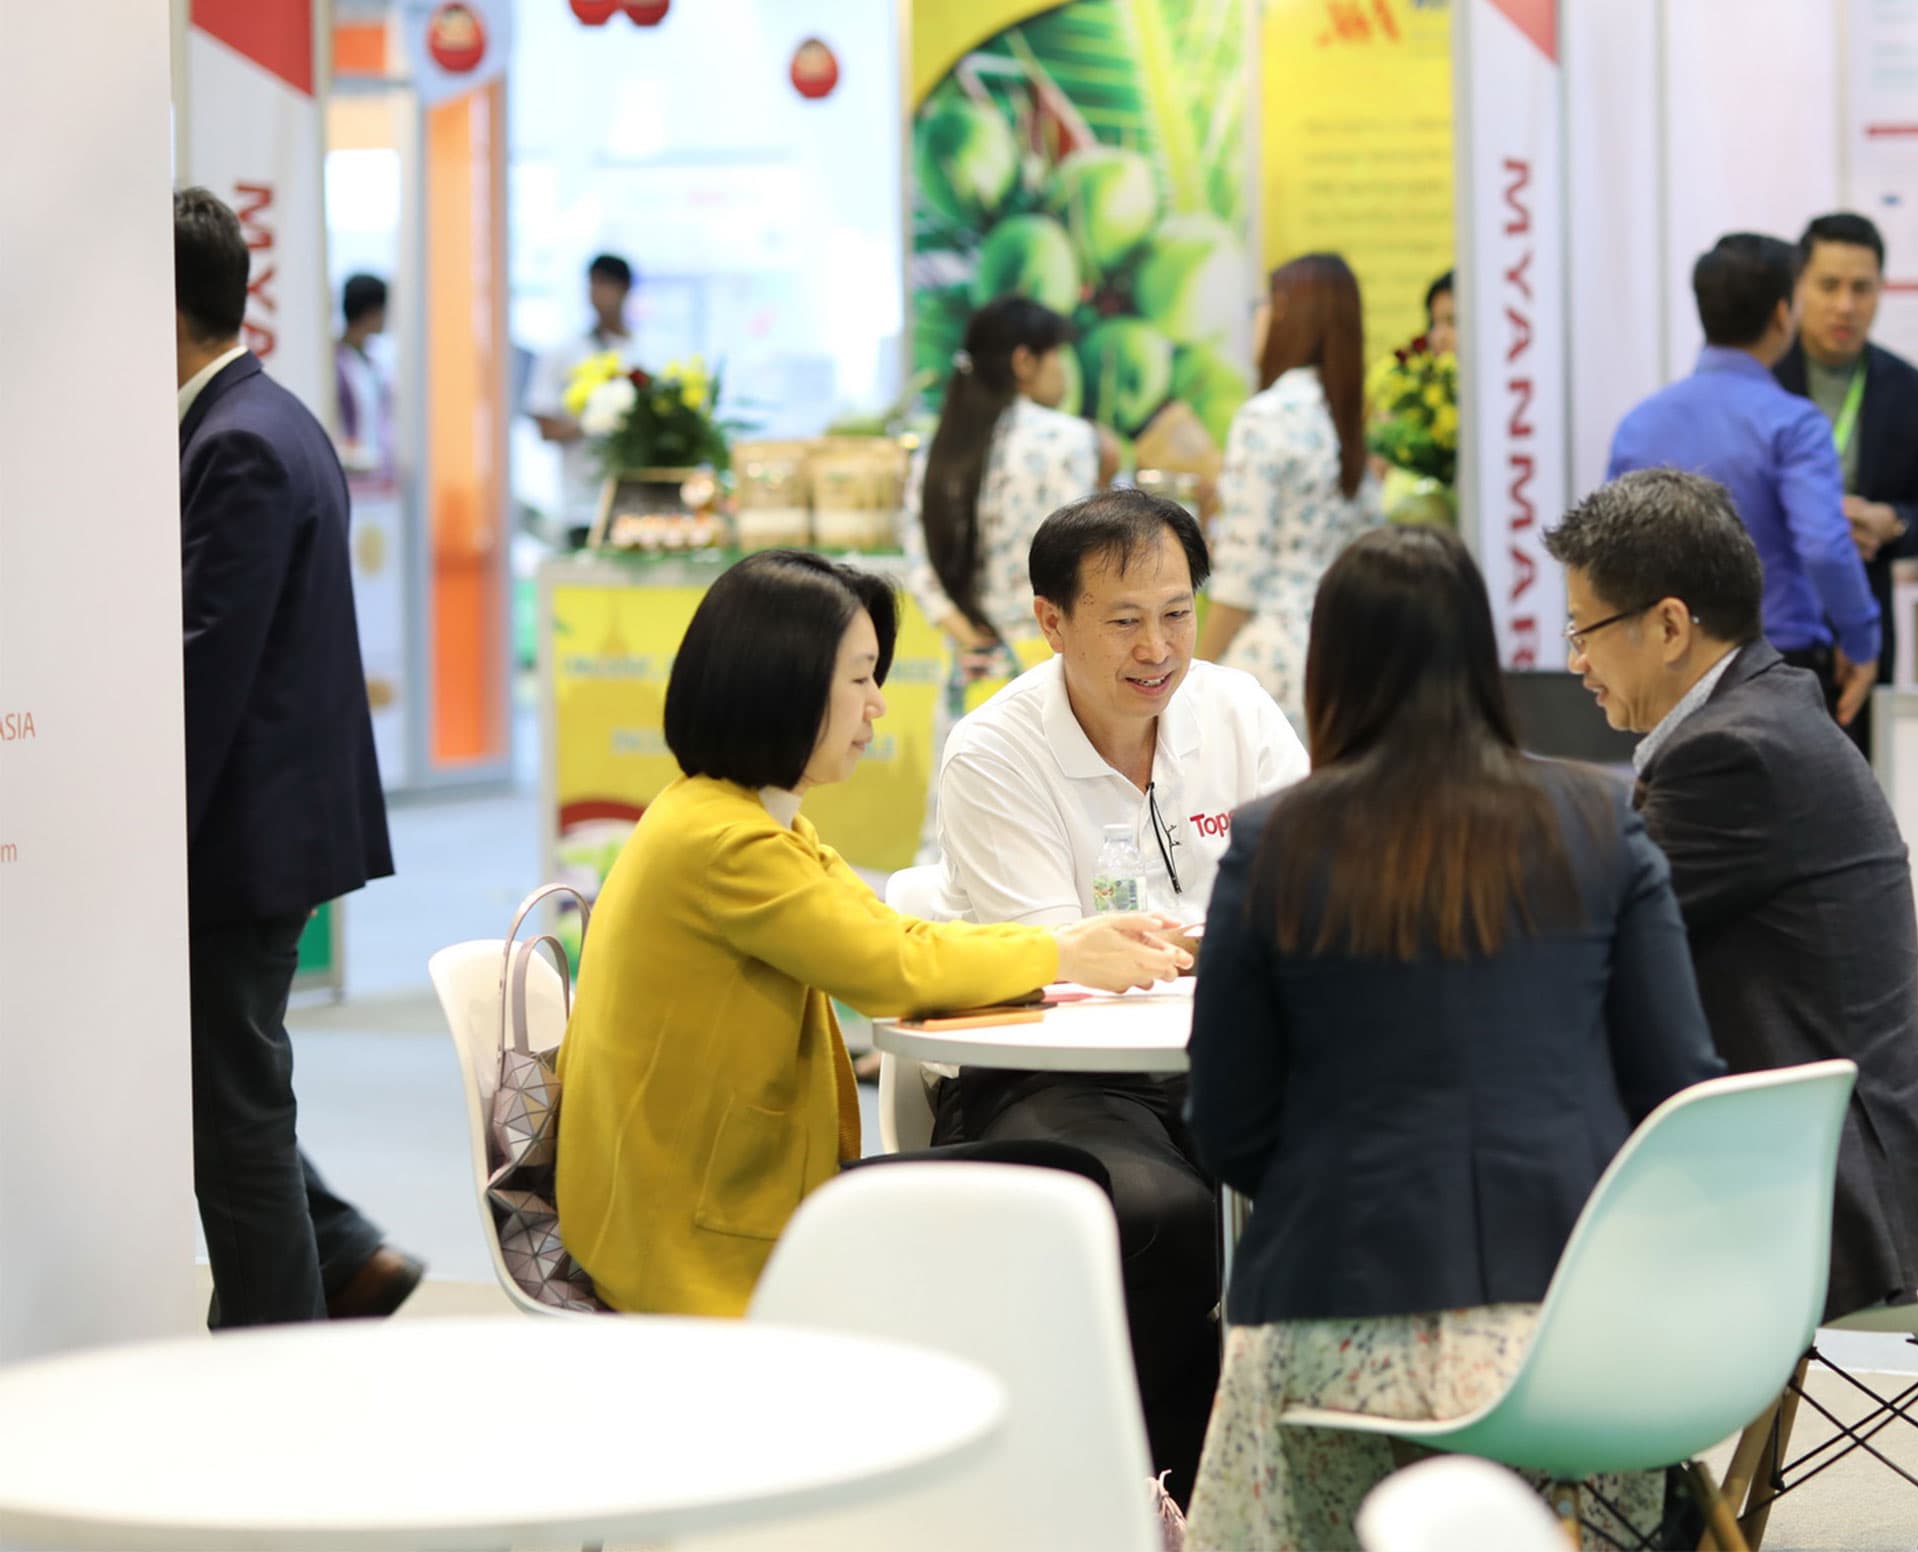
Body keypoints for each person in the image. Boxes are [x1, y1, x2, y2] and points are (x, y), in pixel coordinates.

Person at [1183, 525, 1724, 1551]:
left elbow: (1229, 1127)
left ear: (1326, 667)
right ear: (1480, 655)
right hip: (1570, 1323)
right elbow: (1681, 1088)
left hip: (1334, 1321)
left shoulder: (1273, 840)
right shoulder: (1601, 822)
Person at [554, 548, 1190, 1317]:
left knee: (1097, 1185)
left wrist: (1068, 949)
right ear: (781, 686)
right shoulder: (729, 845)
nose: (877, 705)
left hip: (729, 1192)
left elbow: (892, 940)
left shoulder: (733, 816)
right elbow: (891, 966)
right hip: (708, 1227)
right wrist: (1066, 952)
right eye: (859, 679)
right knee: (1112, 1199)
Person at [930, 489, 1307, 1498]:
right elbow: (1063, 960)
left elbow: (1308, 892)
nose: (1159, 648)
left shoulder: (1237, 713)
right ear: (1051, 620)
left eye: (1178, 613)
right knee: (1162, 1214)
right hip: (1064, 1077)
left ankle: (1273, 1489)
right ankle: (1097, 1487)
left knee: (1383, 1174)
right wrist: (1192, 936)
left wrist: (1167, 942)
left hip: (1237, 1059)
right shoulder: (995, 752)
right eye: (1126, 619)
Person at [1546, 469, 1918, 1319]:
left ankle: (1583, 1442)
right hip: (1841, 1161)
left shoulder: (1732, 753)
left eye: (1584, 630)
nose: (1575, 659)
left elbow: (1581, 938)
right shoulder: (1763, 710)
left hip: (1824, 1197)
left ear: (1667, 627)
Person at [175, 188, 418, 1326]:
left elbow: (203, 672)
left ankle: (275, 1352)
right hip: (260, 829)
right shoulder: (262, 419)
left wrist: (133, 838)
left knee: (232, 1117)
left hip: (239, 838)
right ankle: (345, 1256)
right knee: (232, 1089)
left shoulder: (235, 444)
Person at [1607, 234, 1883, 727]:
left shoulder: (1639, 424)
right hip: (1772, 662)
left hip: (1666, 666)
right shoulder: (1793, 424)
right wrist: (1861, 641)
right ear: (1784, 313)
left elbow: (1612, 553)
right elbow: (1823, 545)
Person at [1774, 213, 1918, 758]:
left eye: (1861, 288)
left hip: (1863, 637)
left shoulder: (1913, 390)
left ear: (1881, 291)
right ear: (1798, 287)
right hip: (1768, 629)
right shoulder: (1762, 379)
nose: (1845, 305)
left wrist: (1890, 523)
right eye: (1829, 286)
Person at [1197, 252, 1387, 724]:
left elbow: (1240, 576)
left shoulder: (1266, 417)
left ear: (1285, 313)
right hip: (1348, 662)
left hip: (1269, 670)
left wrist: (1193, 674)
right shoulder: (1349, 421)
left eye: (1263, 304)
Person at [912, 297, 1109, 704]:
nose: (1064, 372)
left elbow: (922, 569)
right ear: (1024, 362)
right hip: (1048, 665)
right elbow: (1082, 556)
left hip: (971, 669)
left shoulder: (939, 450)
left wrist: (974, 640)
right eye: (1056, 355)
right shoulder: (1066, 439)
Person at [525, 253, 636, 548]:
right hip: (581, 506)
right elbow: (545, 426)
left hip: (636, 507)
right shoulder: (564, 353)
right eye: (593, 284)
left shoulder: (642, 352)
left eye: (606, 284)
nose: (598, 293)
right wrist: (598, 419)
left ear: (625, 289)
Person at [332, 272, 393, 485]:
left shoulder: (373, 362)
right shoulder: (334, 364)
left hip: (378, 479)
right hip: (349, 477)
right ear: (370, 312)